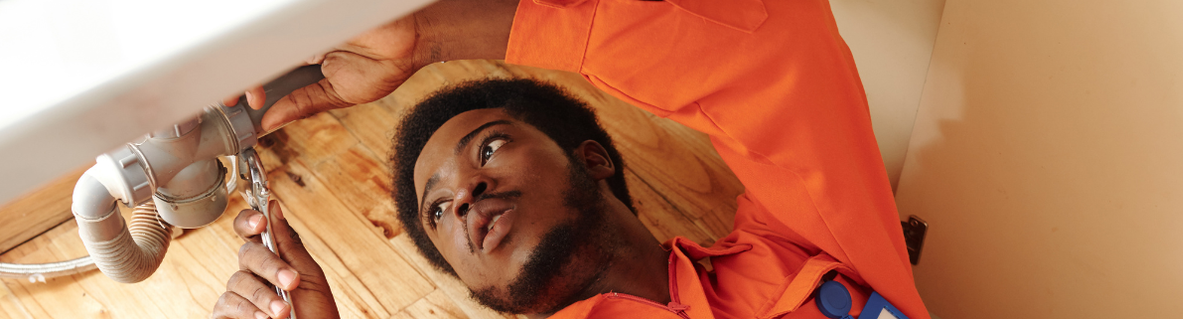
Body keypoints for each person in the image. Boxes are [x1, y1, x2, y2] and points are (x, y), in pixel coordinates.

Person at [211, 0, 930, 318]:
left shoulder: (803, 251)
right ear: (480, 291)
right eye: (437, 210)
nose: (464, 196)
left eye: (488, 147)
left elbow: (773, 46)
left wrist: (428, 35)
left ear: (591, 159)